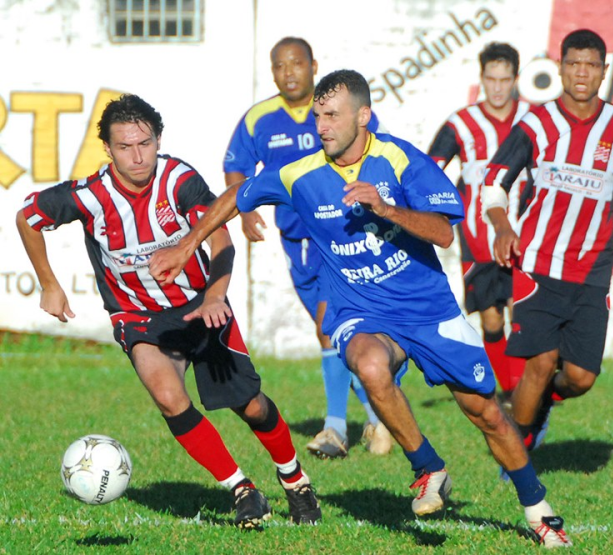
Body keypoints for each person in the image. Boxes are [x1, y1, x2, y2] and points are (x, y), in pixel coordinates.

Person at [150, 70, 573, 548]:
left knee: (488, 415)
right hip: (362, 310)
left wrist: (387, 209)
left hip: (428, 310)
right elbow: (237, 194)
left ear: (364, 117)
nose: (321, 126)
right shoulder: (301, 174)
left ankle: (538, 510)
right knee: (369, 364)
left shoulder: (399, 159)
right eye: (317, 116)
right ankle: (428, 467)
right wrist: (188, 245)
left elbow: (442, 232)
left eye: (332, 115)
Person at [16, 94, 321, 528]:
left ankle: (295, 480)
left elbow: (222, 241)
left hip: (201, 304)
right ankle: (242, 490)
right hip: (137, 316)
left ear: (158, 139)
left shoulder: (180, 180)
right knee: (167, 396)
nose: (137, 156)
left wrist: (216, 296)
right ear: (107, 148)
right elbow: (28, 217)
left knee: (249, 405)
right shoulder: (90, 196)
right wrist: (49, 281)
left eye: (145, 143)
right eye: (125, 147)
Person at [481, 29, 613, 451]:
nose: (581, 72)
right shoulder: (536, 123)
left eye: (591, 65)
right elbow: (494, 182)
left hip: (592, 269)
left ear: (604, 71)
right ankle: (515, 458)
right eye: (573, 63)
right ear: (560, 68)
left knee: (580, 377)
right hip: (539, 263)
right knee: (538, 363)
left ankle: (537, 408)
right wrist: (503, 225)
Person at [224, 36, 393, 458]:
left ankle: (336, 428)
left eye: (296, 63)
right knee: (331, 331)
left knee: (329, 325)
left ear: (313, 65)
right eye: (279, 66)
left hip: (345, 234)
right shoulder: (258, 118)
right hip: (298, 241)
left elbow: (382, 152)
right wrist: (244, 211)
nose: (289, 73)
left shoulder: (339, 108)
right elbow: (235, 168)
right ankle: (379, 417)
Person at [428, 42, 530, 400]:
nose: (498, 87)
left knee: (524, 316)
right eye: (492, 79)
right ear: (482, 78)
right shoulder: (461, 124)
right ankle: (510, 388)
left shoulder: (534, 120)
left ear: (516, 79)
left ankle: (520, 394)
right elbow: (431, 169)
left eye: (505, 79)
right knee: (490, 319)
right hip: (477, 238)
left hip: (525, 236)